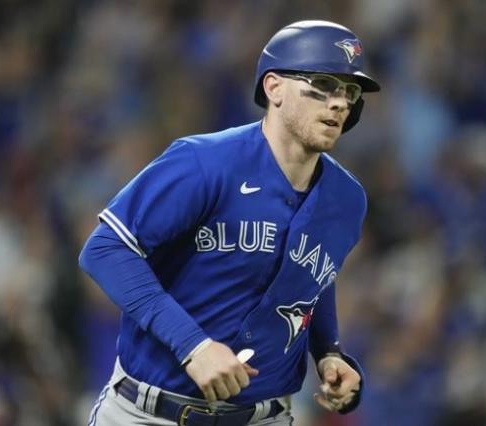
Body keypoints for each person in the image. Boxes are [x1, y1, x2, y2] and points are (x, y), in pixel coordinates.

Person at [79, 20, 380, 426]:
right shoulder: (203, 163)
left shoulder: (347, 199)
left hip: (264, 417)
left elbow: (315, 274)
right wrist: (194, 346)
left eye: (350, 90)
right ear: (273, 88)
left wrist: (328, 351)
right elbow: (104, 249)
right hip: (151, 413)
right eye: (324, 83)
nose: (340, 102)